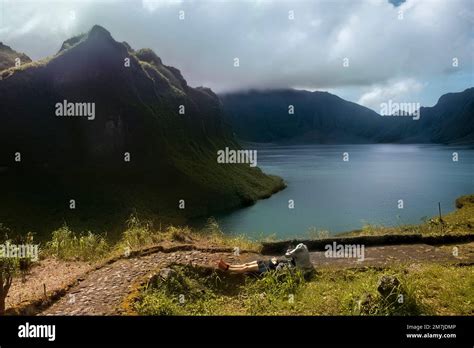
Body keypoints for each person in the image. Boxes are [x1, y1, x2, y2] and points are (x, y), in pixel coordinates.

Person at [217, 243, 314, 275]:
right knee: (246, 265)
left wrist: (277, 263)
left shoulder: (297, 254)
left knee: (246, 268)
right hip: (269, 263)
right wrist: (276, 261)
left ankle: (227, 269)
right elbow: (286, 260)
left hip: (268, 268)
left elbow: (287, 256)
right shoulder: (303, 251)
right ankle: (229, 266)